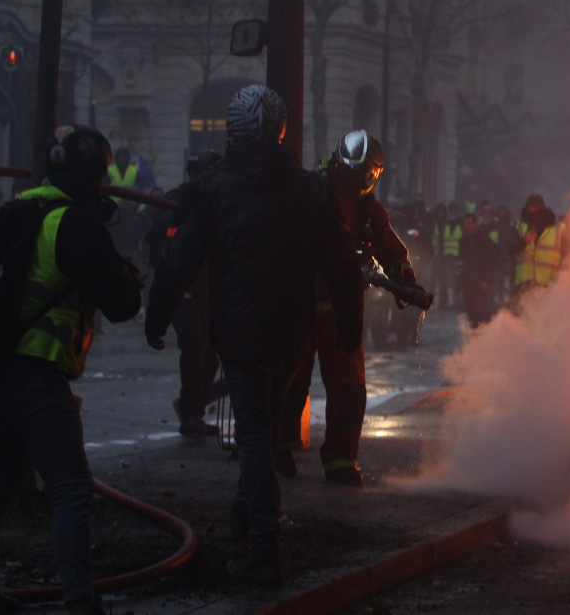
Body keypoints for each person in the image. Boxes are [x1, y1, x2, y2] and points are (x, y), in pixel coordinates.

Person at [144, 85, 362, 584]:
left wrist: (156, 319)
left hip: (240, 332)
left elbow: (178, 263)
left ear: (233, 131)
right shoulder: (310, 189)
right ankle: (244, 528)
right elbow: (343, 267)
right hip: (293, 334)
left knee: (256, 437)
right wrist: (349, 328)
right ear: (281, 129)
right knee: (261, 430)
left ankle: (262, 551)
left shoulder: (214, 190)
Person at [0, 125, 142, 615]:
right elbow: (121, 304)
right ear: (94, 177)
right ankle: (80, 603)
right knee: (72, 487)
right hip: (35, 372)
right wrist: (123, 271)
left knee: (5, 477)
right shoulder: (75, 224)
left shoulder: (22, 207)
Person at [276, 130, 423, 486]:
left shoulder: (371, 210)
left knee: (350, 385)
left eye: (364, 175)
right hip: (300, 298)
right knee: (290, 378)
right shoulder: (309, 194)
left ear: (374, 174)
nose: (355, 180)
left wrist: (406, 280)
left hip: (343, 307)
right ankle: (276, 445)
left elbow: (390, 248)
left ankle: (341, 458)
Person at [149, 151, 224, 438]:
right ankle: (191, 416)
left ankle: (193, 409)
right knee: (195, 352)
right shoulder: (176, 201)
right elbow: (166, 248)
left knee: (211, 357)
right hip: (185, 290)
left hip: (208, 289)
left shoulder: (216, 201)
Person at [510, 194, 570, 298]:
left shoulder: (558, 229)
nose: (533, 212)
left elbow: (569, 258)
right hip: (525, 286)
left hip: (550, 286)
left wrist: (563, 281)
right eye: (530, 209)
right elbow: (510, 251)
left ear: (542, 209)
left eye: (536, 209)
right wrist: (524, 242)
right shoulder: (519, 227)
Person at [457, 212, 500, 329]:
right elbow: (461, 262)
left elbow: (492, 261)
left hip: (480, 283)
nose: (467, 227)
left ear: (476, 224)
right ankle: (475, 337)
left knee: (481, 312)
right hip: (468, 283)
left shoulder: (484, 240)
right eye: (465, 224)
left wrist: (486, 279)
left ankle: (484, 337)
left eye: (470, 224)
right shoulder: (463, 241)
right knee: (471, 312)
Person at [104, 146, 142, 258]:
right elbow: (105, 189)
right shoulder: (109, 171)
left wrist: (131, 204)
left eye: (124, 156)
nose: (122, 158)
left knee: (128, 234)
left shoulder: (134, 171)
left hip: (129, 211)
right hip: (112, 210)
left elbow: (138, 190)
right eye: (120, 156)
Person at [431, 201, 462, 309]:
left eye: (454, 209)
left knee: (454, 280)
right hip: (444, 256)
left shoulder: (459, 223)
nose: (453, 211)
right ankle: (446, 302)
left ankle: (456, 302)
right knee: (444, 279)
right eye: (451, 209)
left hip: (455, 256)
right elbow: (439, 239)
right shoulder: (444, 223)